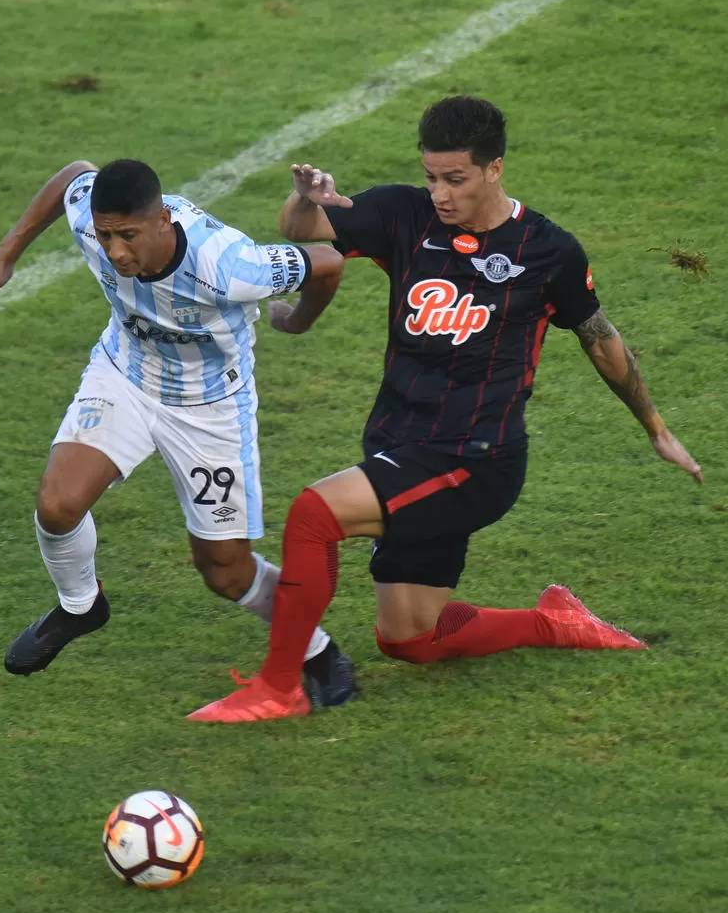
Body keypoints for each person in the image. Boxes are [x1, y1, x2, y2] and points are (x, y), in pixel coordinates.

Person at [188, 95, 703, 723]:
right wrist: (308, 199)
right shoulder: (405, 215)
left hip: (474, 459)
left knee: (313, 515)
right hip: (400, 445)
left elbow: (599, 337)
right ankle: (553, 622)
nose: (439, 192)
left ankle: (279, 686)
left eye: (454, 179)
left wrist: (656, 427)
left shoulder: (547, 251)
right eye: (431, 176)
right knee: (409, 638)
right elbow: (300, 232)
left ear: (494, 169)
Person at [0, 158, 355, 707]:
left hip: (209, 408)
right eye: (105, 236)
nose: (116, 252)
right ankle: (80, 606)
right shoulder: (89, 216)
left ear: (164, 219)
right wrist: (7, 252)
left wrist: (296, 320)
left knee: (225, 573)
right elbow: (74, 172)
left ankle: (317, 650)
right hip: (125, 374)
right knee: (57, 504)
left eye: (128, 236)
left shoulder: (231, 264)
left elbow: (328, 262)